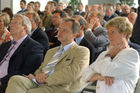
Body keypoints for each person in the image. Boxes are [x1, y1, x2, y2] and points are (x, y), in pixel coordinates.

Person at [5, 18, 90, 93]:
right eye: (60, 29)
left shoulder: (82, 51)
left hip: (60, 87)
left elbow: (73, 73)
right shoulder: (51, 51)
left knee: (31, 91)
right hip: (39, 81)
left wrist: (46, 79)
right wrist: (36, 76)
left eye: (65, 30)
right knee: (15, 79)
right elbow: (41, 68)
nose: (60, 32)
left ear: (75, 34)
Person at [82, 17, 140, 93]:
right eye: (108, 32)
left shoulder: (131, 54)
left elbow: (107, 70)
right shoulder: (104, 54)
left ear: (124, 33)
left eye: (112, 32)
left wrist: (108, 56)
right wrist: (100, 77)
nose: (109, 36)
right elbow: (85, 73)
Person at [0, 14, 44, 93]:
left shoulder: (34, 47)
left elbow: (25, 71)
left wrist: (2, 81)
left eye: (15, 23)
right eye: (11, 22)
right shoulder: (5, 45)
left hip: (8, 84)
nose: (11, 25)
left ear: (25, 27)